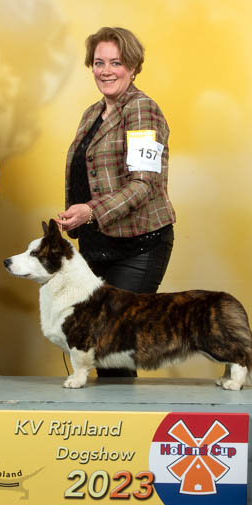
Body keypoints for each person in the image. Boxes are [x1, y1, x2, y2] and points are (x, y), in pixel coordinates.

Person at [56, 26, 176, 377]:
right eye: (99, 63)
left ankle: (120, 414)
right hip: (98, 245)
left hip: (139, 245)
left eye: (116, 62)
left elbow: (143, 184)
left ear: (133, 68)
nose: (106, 71)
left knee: (114, 349)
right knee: (96, 348)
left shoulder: (142, 110)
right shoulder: (92, 113)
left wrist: (90, 211)